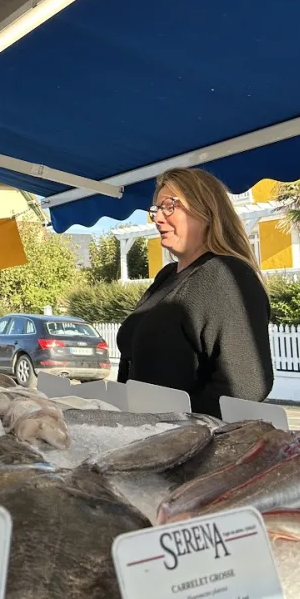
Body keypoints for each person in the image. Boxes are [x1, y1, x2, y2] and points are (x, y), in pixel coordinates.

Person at [116, 168, 273, 417]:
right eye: (156, 209)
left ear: (206, 210)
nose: (157, 219)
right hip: (142, 433)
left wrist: (179, 427)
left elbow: (247, 385)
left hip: (184, 444)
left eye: (170, 206)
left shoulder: (225, 274)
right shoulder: (167, 276)